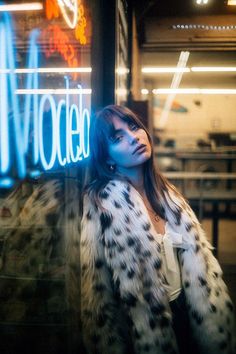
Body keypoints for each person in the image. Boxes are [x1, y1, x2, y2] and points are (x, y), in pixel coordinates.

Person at [80, 105, 235, 354]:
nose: (134, 137)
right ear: (107, 157)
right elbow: (98, 295)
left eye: (134, 127)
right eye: (118, 138)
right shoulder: (103, 206)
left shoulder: (169, 196)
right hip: (145, 331)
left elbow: (203, 267)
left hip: (194, 317)